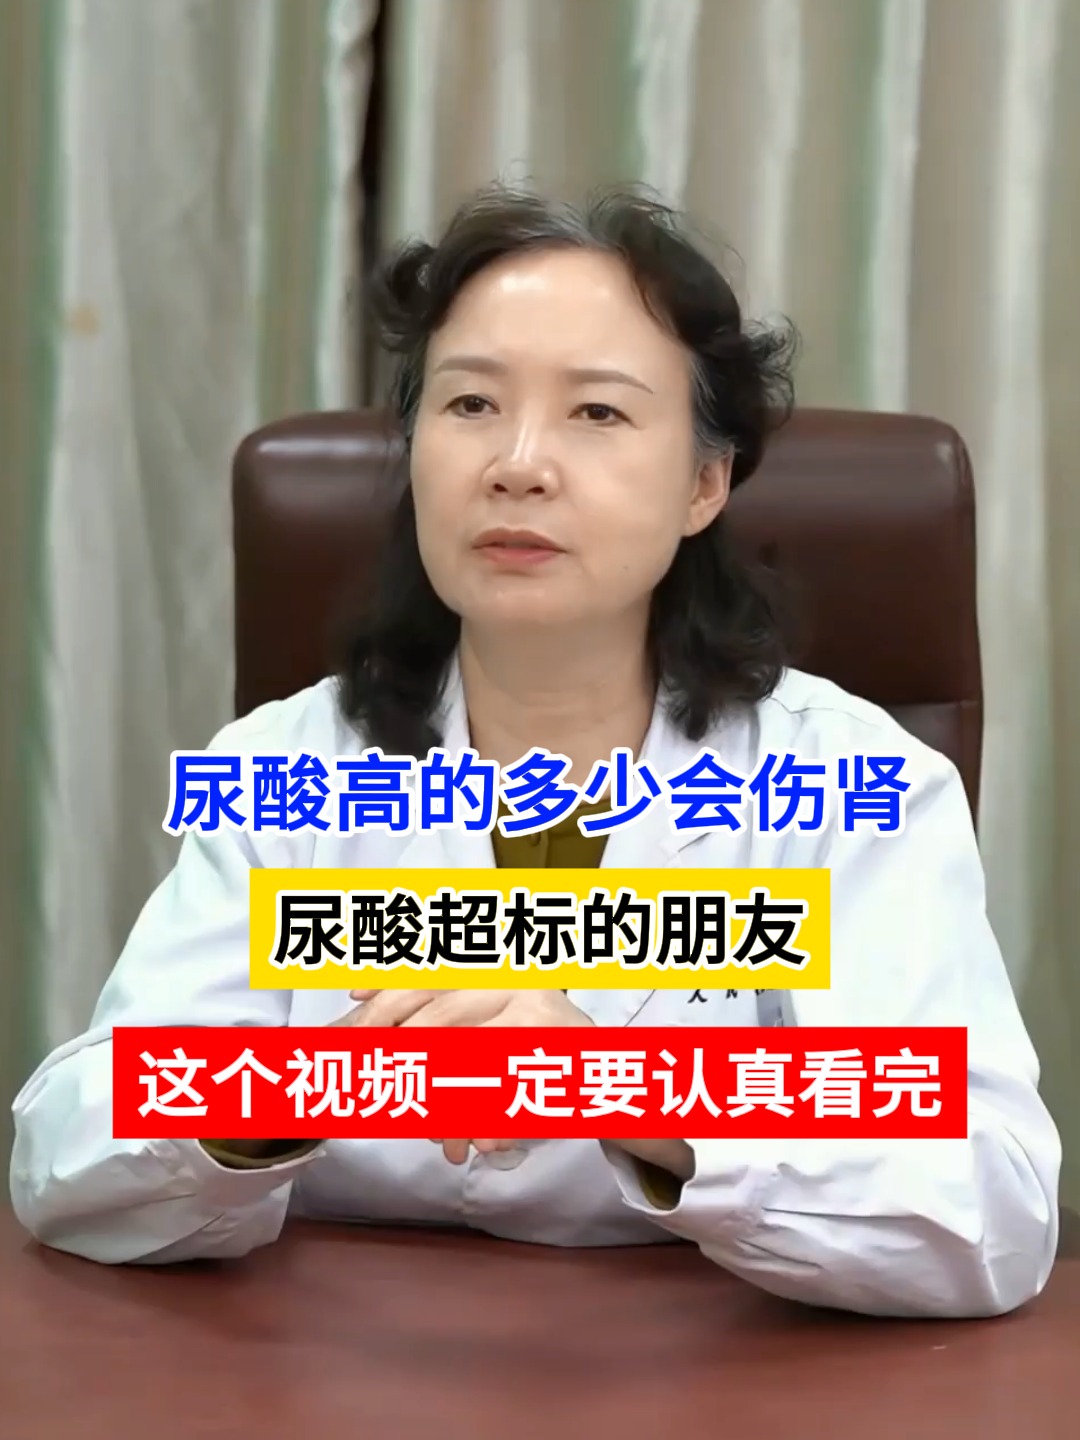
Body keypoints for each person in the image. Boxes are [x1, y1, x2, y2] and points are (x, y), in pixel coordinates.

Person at [9, 187, 1060, 1317]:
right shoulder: (289, 768)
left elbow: (990, 1206)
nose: (517, 464)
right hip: (336, 1363)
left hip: (715, 1372)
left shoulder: (852, 786)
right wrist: (278, 1094)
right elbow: (63, 1154)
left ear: (704, 482)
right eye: (470, 403)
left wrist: (632, 1090)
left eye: (597, 413)